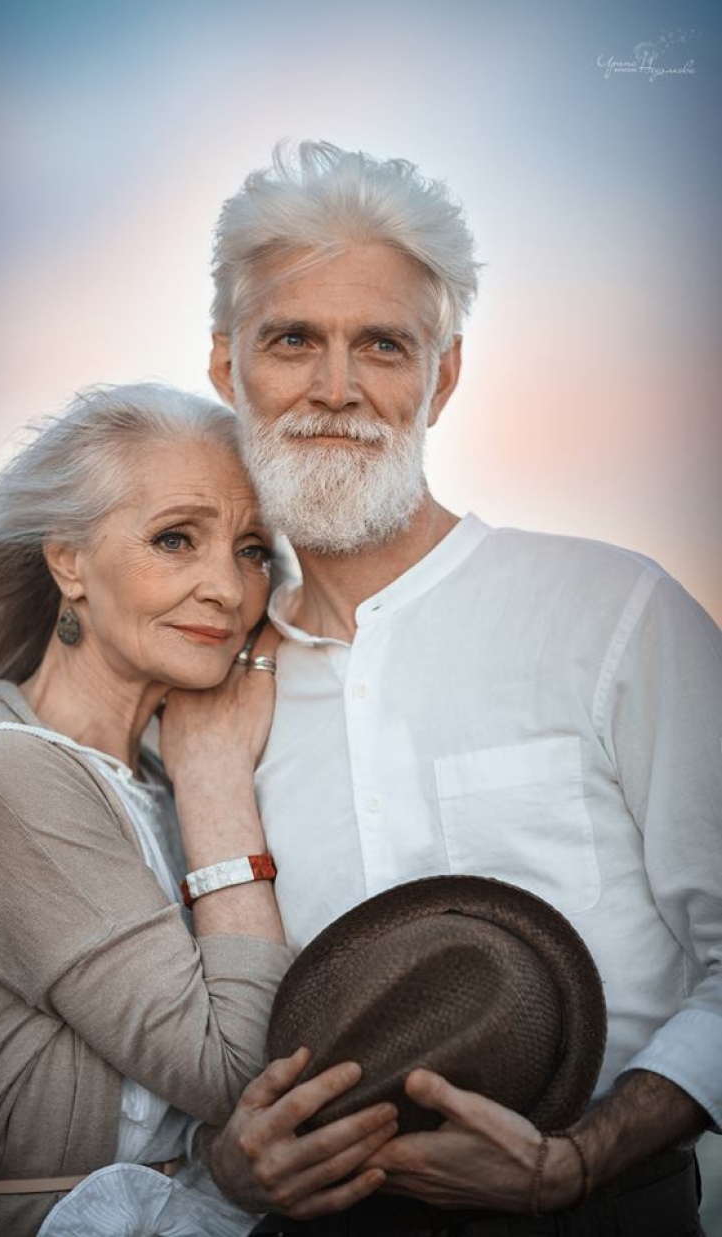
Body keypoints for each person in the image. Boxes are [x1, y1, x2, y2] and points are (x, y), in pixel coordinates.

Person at [197, 142, 722, 1234]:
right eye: (292, 339)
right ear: (225, 368)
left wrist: (579, 1160)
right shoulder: (209, 692)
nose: (335, 388)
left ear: (441, 376)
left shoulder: (615, 613)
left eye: (382, 344)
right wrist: (229, 1163)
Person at [0, 383, 397, 1237]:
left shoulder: (145, 778)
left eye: (251, 550)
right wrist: (216, 780)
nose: (227, 589)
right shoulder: (5, 776)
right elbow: (238, 1073)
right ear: (69, 560)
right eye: (175, 538)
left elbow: (187, 1112)